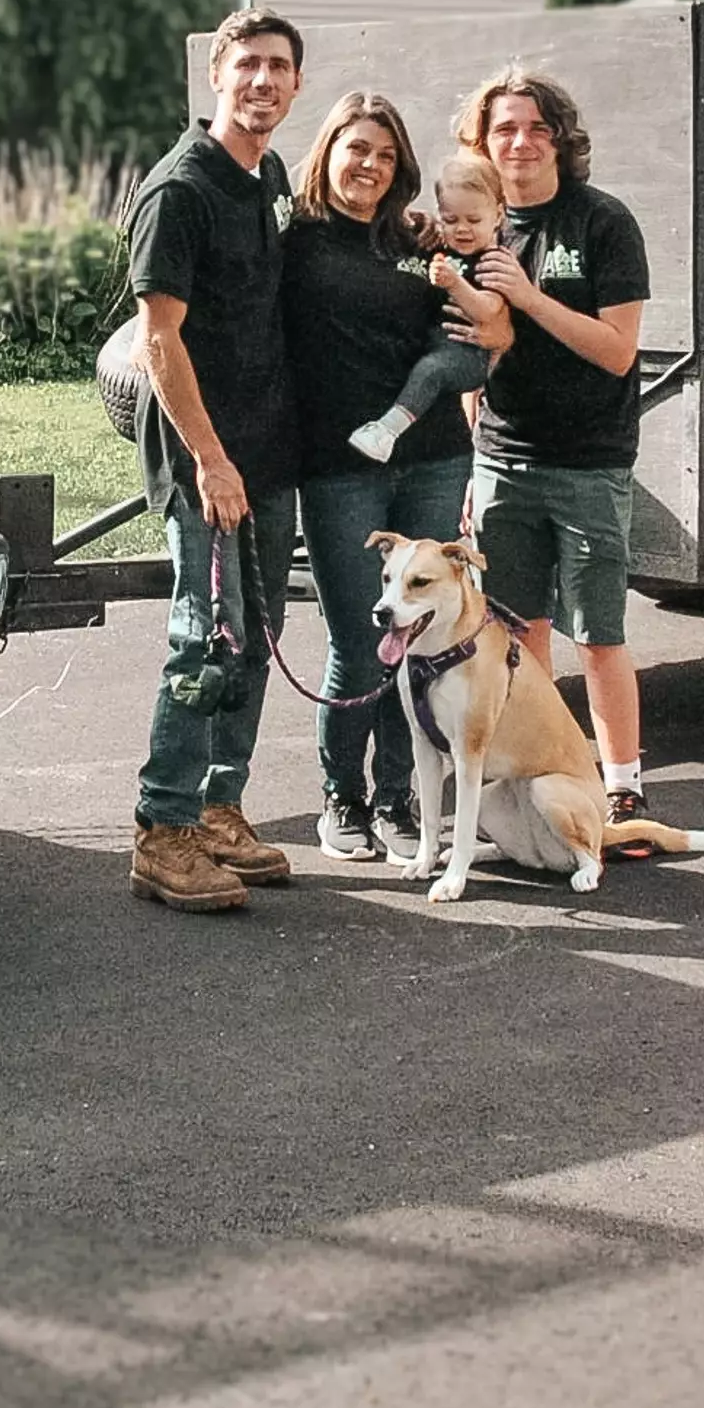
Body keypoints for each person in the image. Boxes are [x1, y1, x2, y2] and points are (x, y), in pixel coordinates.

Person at [284, 99, 510, 864]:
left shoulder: (416, 241)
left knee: (416, 639)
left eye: (385, 154)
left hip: (436, 457)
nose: (370, 165)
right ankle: (341, 799)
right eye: (356, 149)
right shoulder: (296, 244)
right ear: (328, 153)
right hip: (340, 472)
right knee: (362, 639)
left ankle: (397, 801)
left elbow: (480, 324)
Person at [123, 6, 308, 913]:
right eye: (247, 67)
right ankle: (163, 829)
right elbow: (161, 341)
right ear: (216, 77)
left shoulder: (268, 174)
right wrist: (211, 460)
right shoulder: (180, 190)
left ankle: (219, 809)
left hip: (269, 455)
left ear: (296, 83)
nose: (262, 82)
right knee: (205, 641)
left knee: (257, 639)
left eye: (278, 67)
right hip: (209, 465)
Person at [452, 65, 658, 823]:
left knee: (598, 635)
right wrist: (475, 455)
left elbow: (617, 351)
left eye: (538, 128)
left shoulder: (601, 222)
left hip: (590, 464)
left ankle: (625, 786)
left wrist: (529, 295)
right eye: (504, 128)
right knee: (516, 634)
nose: (522, 142)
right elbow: (472, 352)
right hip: (505, 462)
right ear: (482, 141)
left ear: (562, 140)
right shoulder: (477, 225)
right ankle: (545, 773)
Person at [345, 151, 508, 464]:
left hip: (468, 354)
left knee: (430, 371)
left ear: (497, 215)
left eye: (474, 220)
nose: (462, 229)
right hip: (436, 340)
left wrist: (455, 285)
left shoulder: (493, 260)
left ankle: (386, 432)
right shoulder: (444, 248)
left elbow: (490, 311)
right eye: (451, 219)